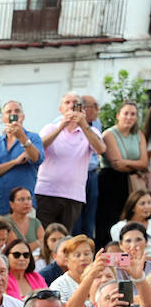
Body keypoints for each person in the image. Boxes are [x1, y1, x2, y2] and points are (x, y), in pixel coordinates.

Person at [33, 93, 105, 232]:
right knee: (45, 236)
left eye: (75, 103)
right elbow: (38, 148)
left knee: (66, 238)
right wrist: (61, 127)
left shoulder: (91, 131)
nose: (71, 105)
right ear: (61, 109)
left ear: (82, 109)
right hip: (47, 191)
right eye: (67, 102)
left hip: (73, 194)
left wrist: (83, 125)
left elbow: (100, 148)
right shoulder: (50, 128)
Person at [98, 103, 149, 245]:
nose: (129, 117)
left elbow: (144, 162)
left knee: (130, 215)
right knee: (110, 219)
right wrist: (135, 164)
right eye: (126, 113)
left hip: (133, 183)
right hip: (111, 181)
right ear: (118, 115)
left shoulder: (139, 135)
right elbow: (116, 163)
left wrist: (126, 162)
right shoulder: (109, 134)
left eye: (133, 114)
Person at [0, 101, 43, 217]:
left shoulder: (33, 138)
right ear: (3, 118)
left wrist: (22, 138)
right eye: (9, 112)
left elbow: (37, 159)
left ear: (23, 117)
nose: (13, 114)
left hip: (24, 208)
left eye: (17, 111)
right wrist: (15, 162)